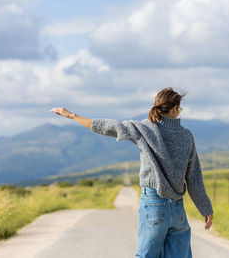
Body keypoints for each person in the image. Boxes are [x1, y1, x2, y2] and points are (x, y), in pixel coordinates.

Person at [50, 87, 214, 258]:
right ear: (174, 109)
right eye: (179, 109)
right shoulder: (186, 136)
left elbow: (111, 127)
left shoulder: (144, 128)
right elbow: (194, 178)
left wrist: (71, 115)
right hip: (178, 209)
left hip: (154, 205)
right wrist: (206, 209)